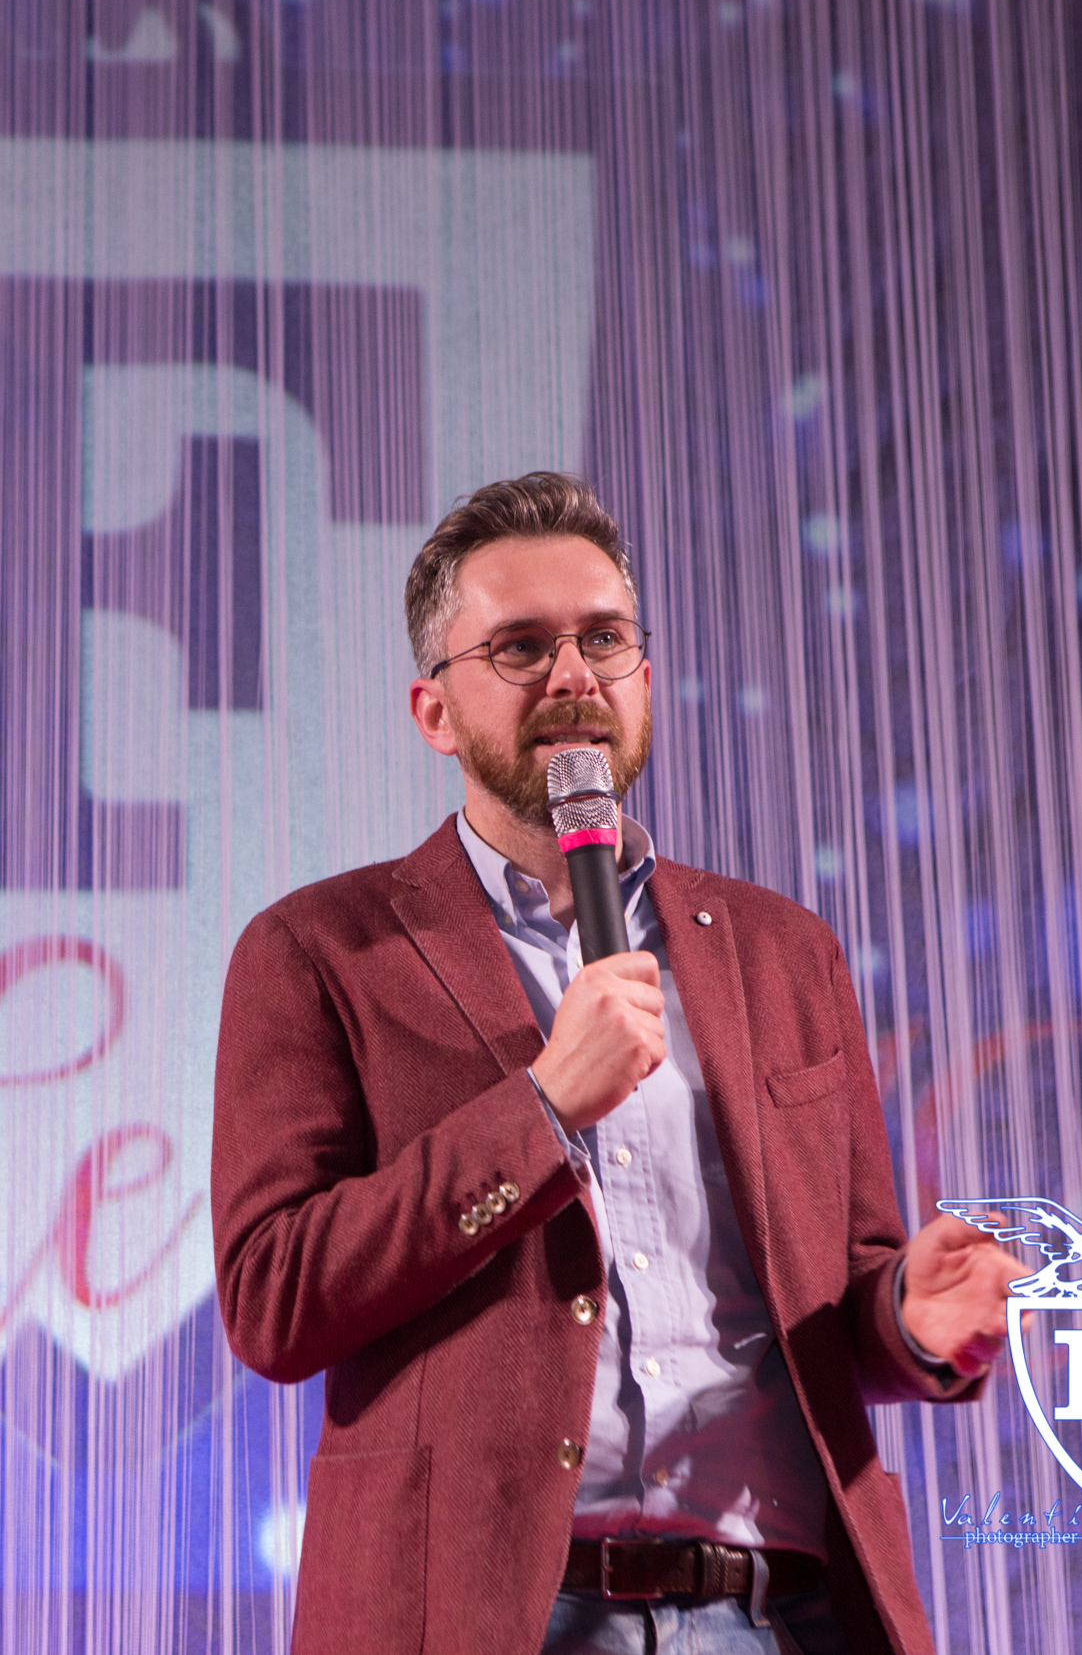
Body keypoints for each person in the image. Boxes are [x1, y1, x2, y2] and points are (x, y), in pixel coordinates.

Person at [210, 475, 1027, 1655]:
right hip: (492, 1613)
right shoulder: (320, 950)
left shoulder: (782, 951)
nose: (573, 675)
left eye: (603, 638)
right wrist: (542, 1108)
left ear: (643, 676)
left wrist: (906, 1313)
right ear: (434, 711)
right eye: (521, 646)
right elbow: (272, 1300)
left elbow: (837, 1289)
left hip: (778, 1610)